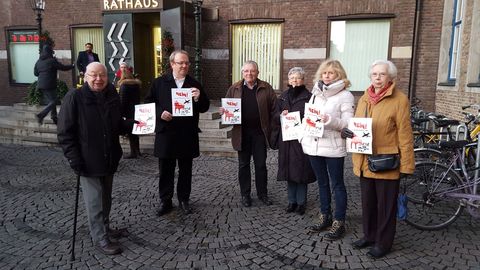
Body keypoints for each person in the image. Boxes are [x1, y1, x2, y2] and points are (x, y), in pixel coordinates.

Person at [57, 62, 135, 255]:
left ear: (107, 76)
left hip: (109, 157)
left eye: (102, 75)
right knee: (94, 202)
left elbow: (117, 124)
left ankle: (105, 228)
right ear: (85, 76)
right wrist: (74, 159)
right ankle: (100, 237)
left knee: (105, 198)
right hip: (87, 160)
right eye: (93, 75)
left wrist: (134, 124)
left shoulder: (111, 95)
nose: (98, 79)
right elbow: (65, 132)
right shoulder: (74, 97)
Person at [347, 60, 414, 258]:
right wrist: (348, 133)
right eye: (374, 74)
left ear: (390, 77)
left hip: (387, 161)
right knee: (368, 203)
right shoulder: (364, 98)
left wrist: (407, 165)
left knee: (385, 206)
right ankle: (369, 235)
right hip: (365, 160)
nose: (377, 77)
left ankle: (384, 243)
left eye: (382, 74)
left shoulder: (400, 99)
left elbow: (405, 134)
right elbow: (358, 126)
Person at [144, 50, 210, 216]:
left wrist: (198, 97)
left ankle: (183, 200)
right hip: (166, 133)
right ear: (172, 64)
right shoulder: (159, 83)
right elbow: (148, 102)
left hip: (187, 134)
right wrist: (160, 112)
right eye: (180, 63)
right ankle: (165, 201)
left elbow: (205, 107)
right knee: (166, 169)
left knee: (185, 170)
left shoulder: (194, 84)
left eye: (186, 63)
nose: (184, 66)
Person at [299, 59, 354, 240]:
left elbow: (348, 124)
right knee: (322, 183)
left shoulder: (346, 96)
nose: (327, 76)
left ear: (339, 75)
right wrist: (302, 135)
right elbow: (309, 117)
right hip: (314, 146)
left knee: (337, 184)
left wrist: (329, 120)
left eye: (331, 73)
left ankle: (339, 220)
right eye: (324, 73)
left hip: (333, 146)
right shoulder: (316, 93)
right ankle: (325, 216)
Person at [223, 60, 277, 207]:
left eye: (252, 71)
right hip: (242, 134)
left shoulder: (266, 88)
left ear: (257, 72)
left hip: (260, 134)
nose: (249, 74)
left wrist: (272, 128)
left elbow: (275, 109)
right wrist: (225, 112)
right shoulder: (234, 88)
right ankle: (245, 195)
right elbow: (227, 106)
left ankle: (262, 194)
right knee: (243, 165)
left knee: (261, 165)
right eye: (246, 71)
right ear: (242, 73)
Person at [272, 67, 315, 215]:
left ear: (303, 80)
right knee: (289, 171)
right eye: (292, 78)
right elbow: (274, 115)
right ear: (288, 80)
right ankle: (292, 201)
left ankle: (302, 202)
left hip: (301, 140)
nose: (294, 81)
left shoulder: (309, 97)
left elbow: (313, 118)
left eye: (297, 78)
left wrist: (303, 120)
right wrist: (280, 115)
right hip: (287, 141)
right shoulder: (283, 97)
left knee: (301, 172)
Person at [34, 44, 75, 125]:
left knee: (51, 101)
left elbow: (35, 73)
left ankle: (54, 118)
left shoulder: (38, 61)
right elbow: (62, 67)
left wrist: (43, 73)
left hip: (41, 84)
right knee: (55, 101)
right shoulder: (52, 61)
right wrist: (72, 66)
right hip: (49, 84)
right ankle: (41, 115)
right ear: (50, 52)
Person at [117, 66, 142, 159]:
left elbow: (123, 101)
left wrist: (121, 114)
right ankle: (137, 151)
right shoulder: (136, 84)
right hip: (136, 110)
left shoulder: (124, 86)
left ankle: (133, 153)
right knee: (135, 131)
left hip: (128, 112)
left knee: (131, 132)